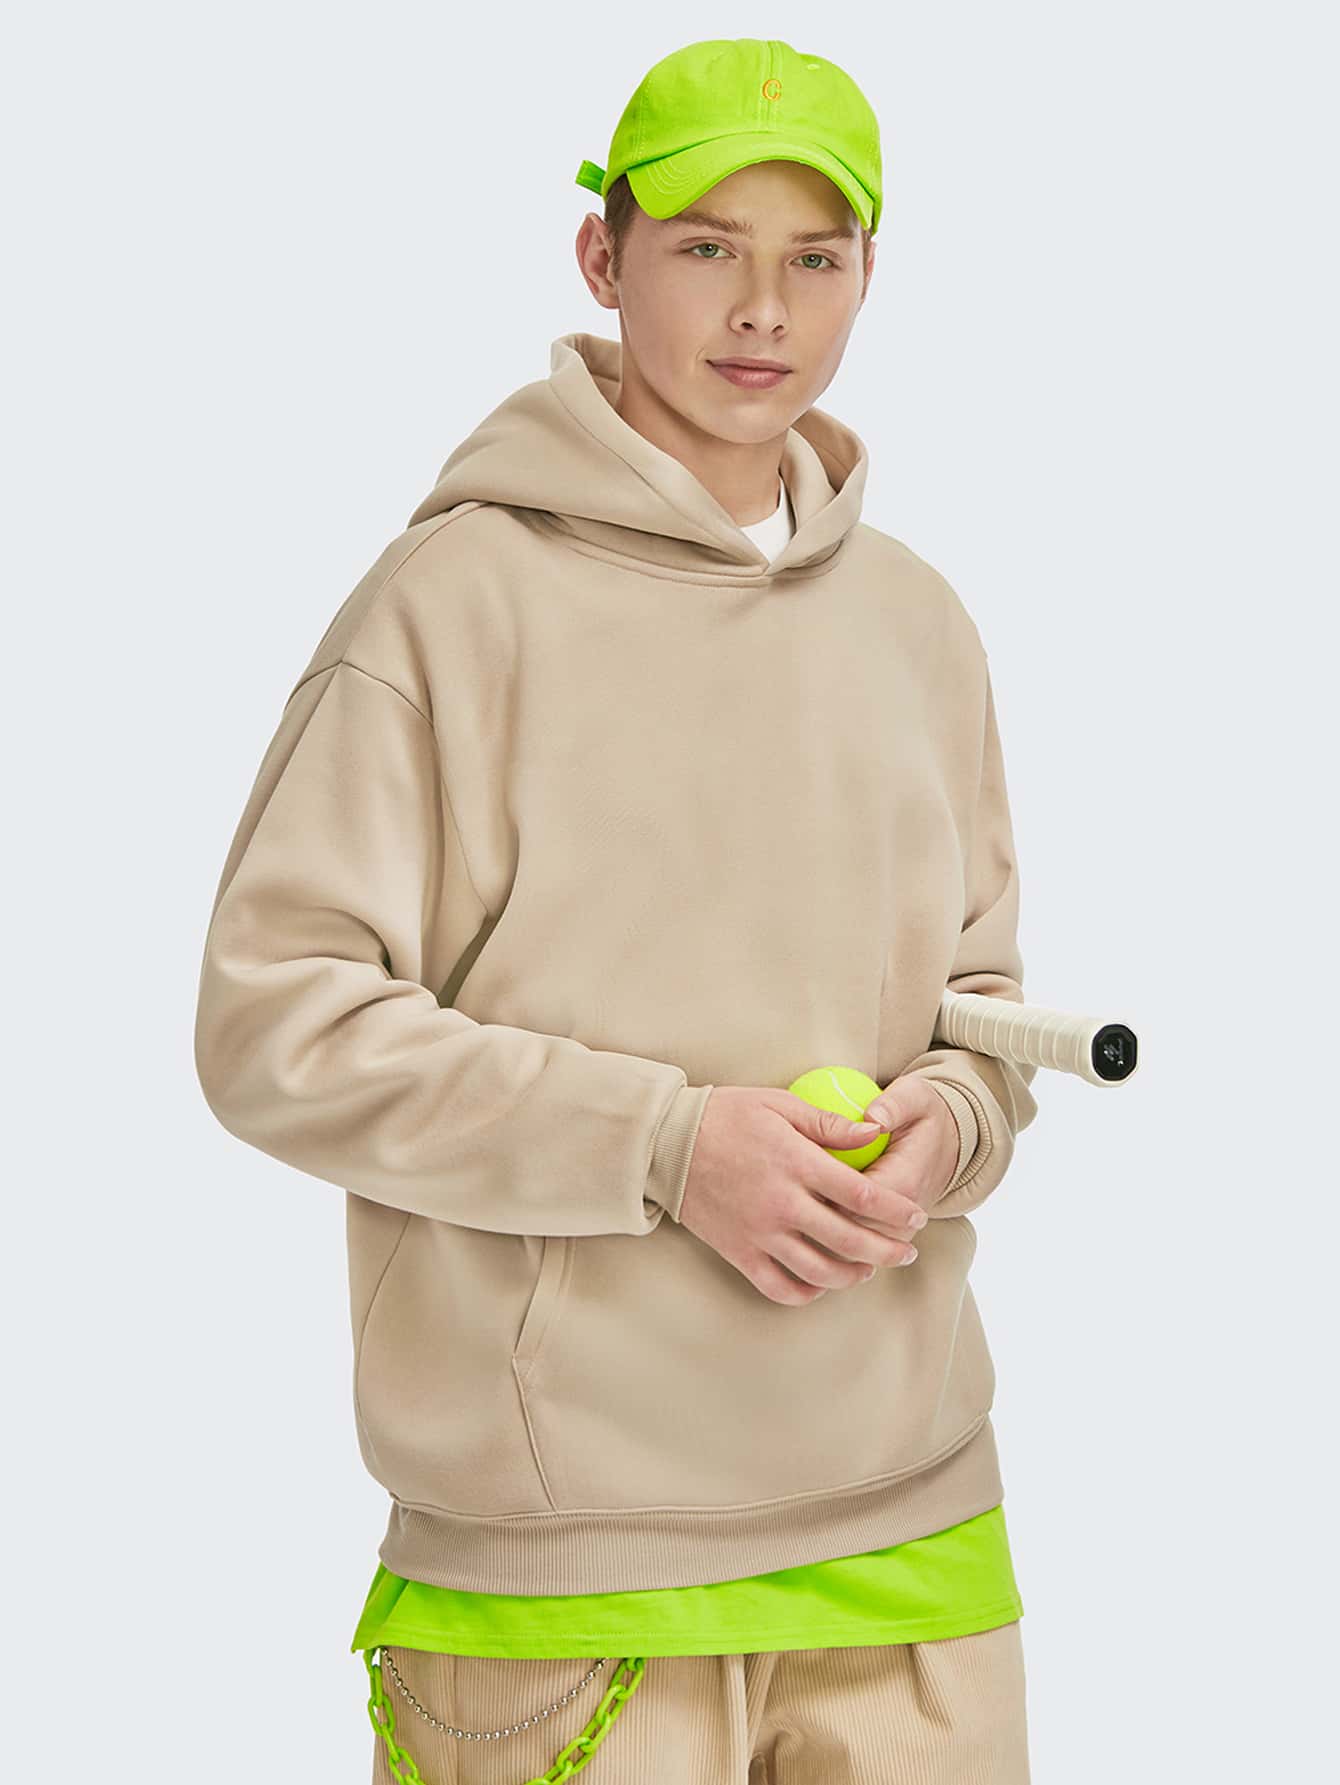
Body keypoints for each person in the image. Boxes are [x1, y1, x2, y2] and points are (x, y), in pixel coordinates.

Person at [193, 35, 1039, 1785]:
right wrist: (665, 1144)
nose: (764, 309)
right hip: (565, 1565)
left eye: (815, 258)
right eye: (707, 246)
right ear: (603, 256)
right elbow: (273, 1020)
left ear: (869, 277)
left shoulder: (919, 624)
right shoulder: (450, 607)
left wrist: (956, 1120)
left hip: (920, 1537)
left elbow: (978, 999)